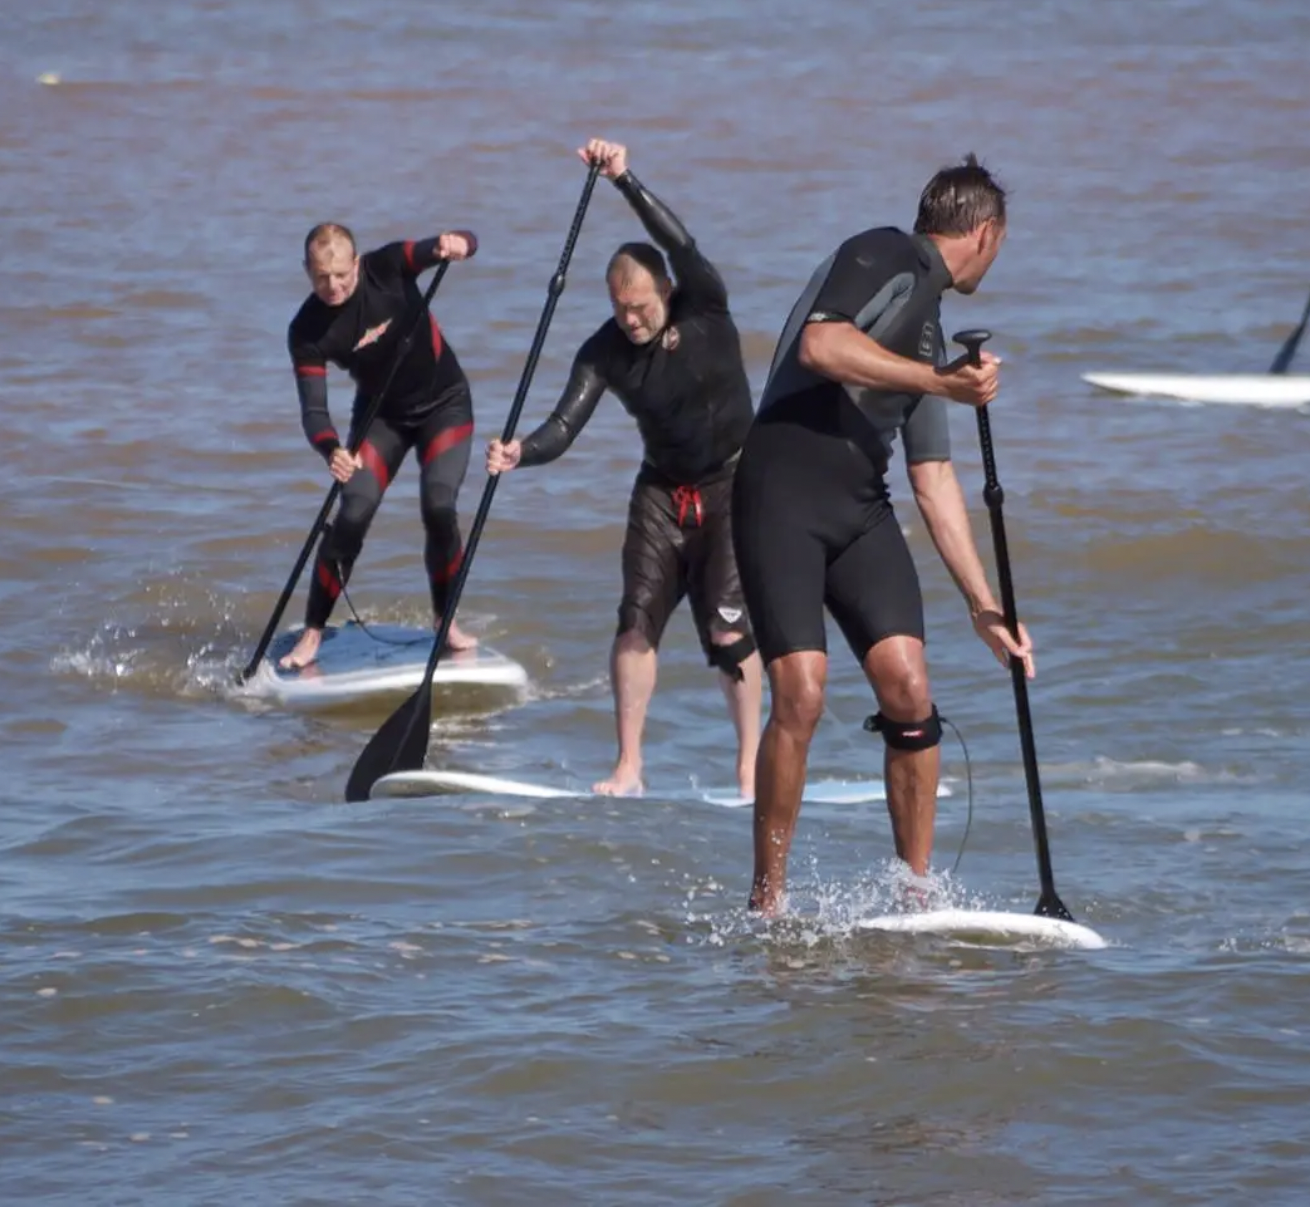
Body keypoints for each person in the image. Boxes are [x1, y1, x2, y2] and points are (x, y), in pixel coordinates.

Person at [734, 154, 1036, 916]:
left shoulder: (932, 325)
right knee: (800, 694)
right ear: (987, 232)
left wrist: (984, 605)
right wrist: (942, 383)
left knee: (909, 689)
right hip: (782, 492)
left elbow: (933, 480)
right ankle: (767, 903)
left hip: (861, 506)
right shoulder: (885, 252)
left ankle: (914, 896)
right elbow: (820, 345)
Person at [485, 139, 761, 799]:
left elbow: (683, 242)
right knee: (635, 622)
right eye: (619, 307)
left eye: (640, 304)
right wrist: (523, 450)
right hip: (661, 491)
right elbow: (563, 425)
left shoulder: (705, 304)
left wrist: (624, 180)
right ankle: (628, 766)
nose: (630, 319)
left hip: (733, 480)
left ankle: (751, 764)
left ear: (664, 290)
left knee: (727, 627)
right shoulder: (602, 352)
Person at [280, 223, 482, 670]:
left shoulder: (388, 267)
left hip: (444, 406)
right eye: (320, 277)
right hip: (381, 418)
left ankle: (444, 620)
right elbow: (313, 411)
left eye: (340, 274)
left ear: (356, 263)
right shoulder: (307, 330)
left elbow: (453, 242)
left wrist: (458, 244)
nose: (332, 286)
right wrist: (332, 449)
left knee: (439, 505)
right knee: (353, 510)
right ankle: (313, 631)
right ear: (307, 272)